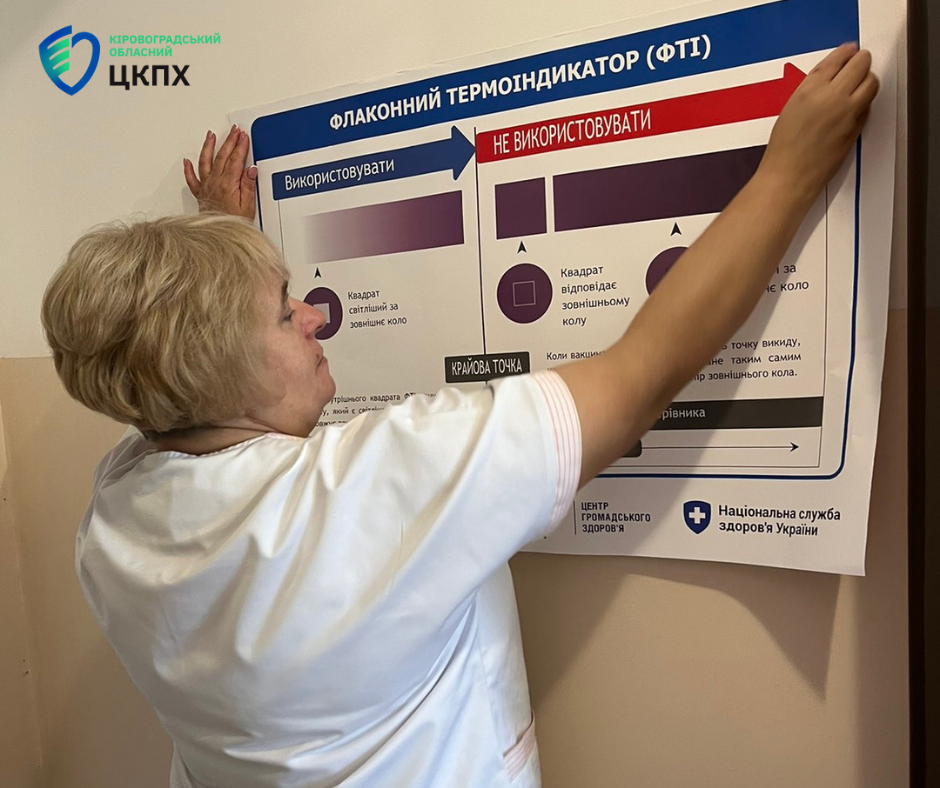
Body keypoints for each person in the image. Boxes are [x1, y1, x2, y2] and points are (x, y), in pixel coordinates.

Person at [41, 44, 877, 788]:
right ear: (220, 367)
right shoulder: (374, 492)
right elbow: (641, 378)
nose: (314, 316)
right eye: (282, 310)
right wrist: (788, 173)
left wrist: (217, 251)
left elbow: (166, 370)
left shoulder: (116, 511)